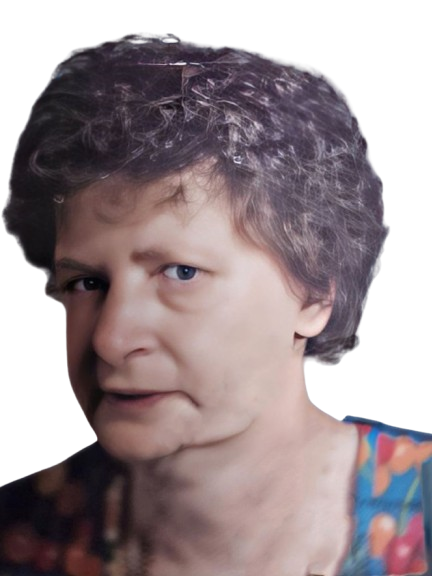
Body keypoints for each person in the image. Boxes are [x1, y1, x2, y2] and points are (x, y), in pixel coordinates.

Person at [1, 33, 430, 576]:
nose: (111, 339)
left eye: (181, 273)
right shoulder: (16, 535)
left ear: (316, 293)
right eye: (87, 282)